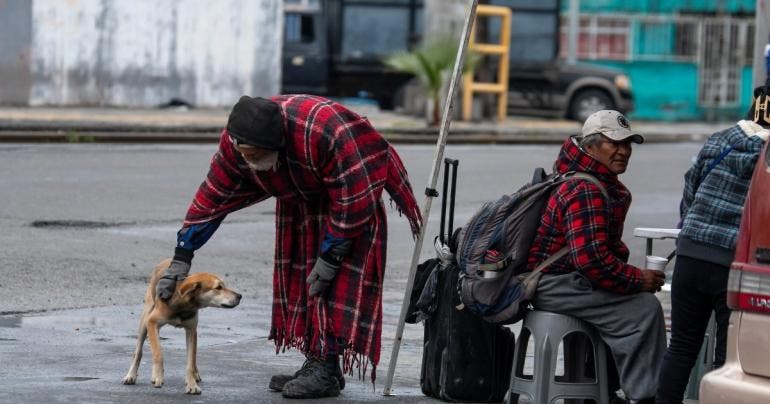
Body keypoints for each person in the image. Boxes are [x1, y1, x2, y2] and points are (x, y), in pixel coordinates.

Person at [155, 94, 422, 399]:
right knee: (302, 281)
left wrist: (333, 254)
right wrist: (182, 256)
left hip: (352, 200)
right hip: (301, 199)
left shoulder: (326, 134)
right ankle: (322, 365)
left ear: (278, 146)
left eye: (256, 156)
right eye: (245, 155)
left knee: (332, 283)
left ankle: (324, 367)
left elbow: (353, 196)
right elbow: (213, 195)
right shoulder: (235, 142)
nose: (249, 163)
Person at [526, 110, 667, 404]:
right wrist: (638, 279)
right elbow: (591, 261)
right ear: (590, 147)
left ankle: (595, 390)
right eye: (614, 143)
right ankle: (645, 397)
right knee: (644, 310)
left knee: (624, 303)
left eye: (628, 144)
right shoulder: (584, 188)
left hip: (564, 281)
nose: (624, 151)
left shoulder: (585, 178)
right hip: (557, 284)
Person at [656, 87, 770, 404]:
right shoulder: (767, 156)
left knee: (681, 345)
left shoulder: (720, 139)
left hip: (692, 253)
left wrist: (693, 232)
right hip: (733, 265)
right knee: (728, 355)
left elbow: (690, 193)